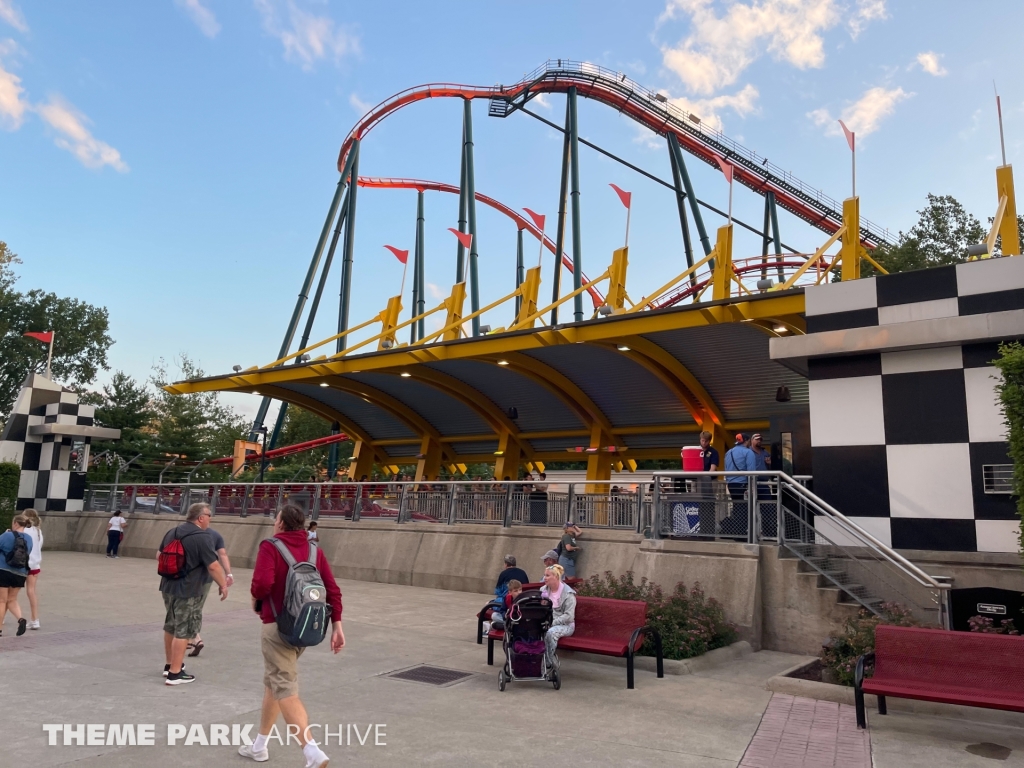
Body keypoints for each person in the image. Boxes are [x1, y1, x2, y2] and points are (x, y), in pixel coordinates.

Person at [239, 504, 344, 767]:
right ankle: (259, 746)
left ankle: (311, 751)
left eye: (276, 519)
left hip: (277, 627)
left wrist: (255, 600)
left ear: (282, 523)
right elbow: (332, 589)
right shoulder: (313, 550)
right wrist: (337, 626)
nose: (274, 523)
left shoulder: (271, 546)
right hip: (306, 627)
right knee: (273, 683)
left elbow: (262, 583)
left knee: (284, 687)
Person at [158, 503, 228, 685]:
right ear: (201, 517)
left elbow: (159, 555)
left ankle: (169, 665)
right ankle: (175, 673)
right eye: (209, 516)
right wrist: (223, 584)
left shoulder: (172, 532)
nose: (210, 519)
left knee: (170, 625)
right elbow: (213, 565)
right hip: (188, 588)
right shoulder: (201, 537)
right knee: (184, 629)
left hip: (168, 585)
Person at [187, 524, 235, 658]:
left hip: (188, 577)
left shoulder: (184, 532)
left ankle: (194, 638)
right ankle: (193, 637)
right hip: (207, 577)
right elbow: (222, 554)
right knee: (197, 607)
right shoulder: (215, 534)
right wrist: (228, 574)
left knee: (186, 607)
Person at [0, 514, 34, 638]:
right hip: (20, 573)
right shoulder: (29, 539)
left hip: (3, 570)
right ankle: (20, 619)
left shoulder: (7, 535)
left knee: (2, 601)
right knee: (12, 599)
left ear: (15, 523)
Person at [540, 564, 576, 670]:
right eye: (544, 575)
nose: (544, 578)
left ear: (556, 576)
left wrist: (552, 622)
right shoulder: (543, 590)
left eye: (547, 575)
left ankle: (549, 662)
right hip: (547, 622)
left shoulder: (568, 594)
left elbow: (569, 616)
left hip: (565, 625)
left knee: (550, 633)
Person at [724, 433, 756, 537]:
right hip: (742, 485)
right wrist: (752, 488)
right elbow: (751, 472)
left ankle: (737, 532)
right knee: (743, 509)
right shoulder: (748, 452)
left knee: (736, 507)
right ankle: (741, 534)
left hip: (731, 485)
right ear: (747, 441)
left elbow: (726, 468)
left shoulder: (729, 452)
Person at [22, 509, 43, 629]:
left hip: (23, 564)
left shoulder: (24, 531)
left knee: (10, 594)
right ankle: (35, 619)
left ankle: (2, 617)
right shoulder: (38, 531)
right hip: (35, 565)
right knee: (32, 591)